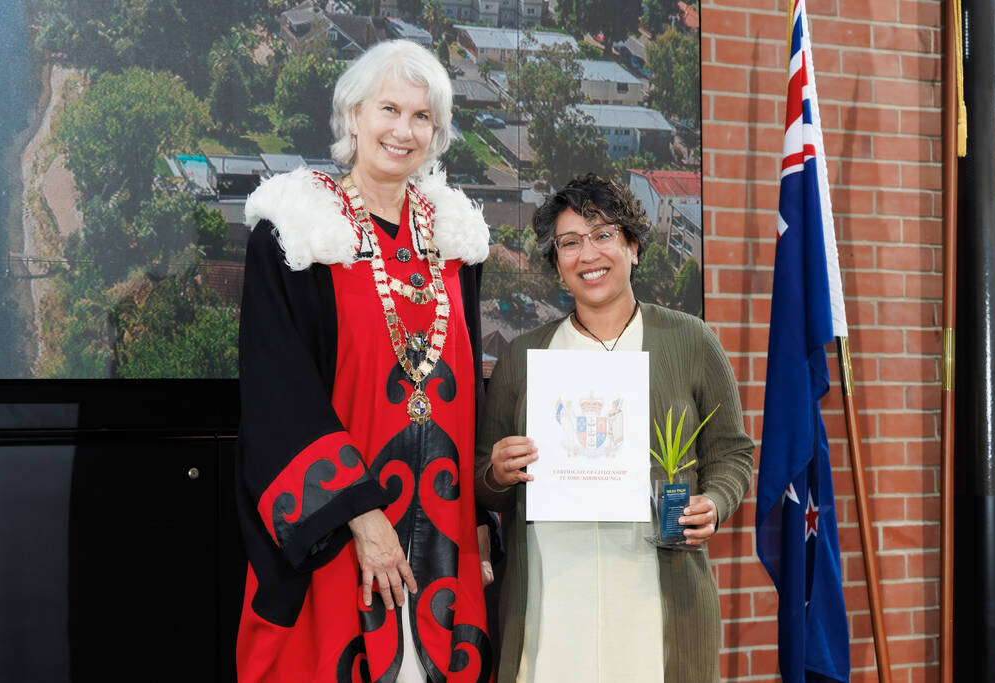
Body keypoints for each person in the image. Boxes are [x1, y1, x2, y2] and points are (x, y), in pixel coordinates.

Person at [235, 40, 494, 683]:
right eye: (389, 109)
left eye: (422, 116)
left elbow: (467, 392)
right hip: (341, 540)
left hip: (442, 533)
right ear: (353, 116)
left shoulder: (455, 240)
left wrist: (481, 519)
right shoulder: (298, 232)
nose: (403, 130)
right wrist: (360, 514)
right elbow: (278, 391)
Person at [474, 174, 755, 682]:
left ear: (633, 247)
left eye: (603, 235)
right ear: (557, 266)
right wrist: (497, 472)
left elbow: (732, 453)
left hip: (656, 596)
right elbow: (480, 479)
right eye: (570, 243)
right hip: (551, 601)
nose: (588, 254)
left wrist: (715, 502)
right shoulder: (522, 357)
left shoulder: (692, 341)